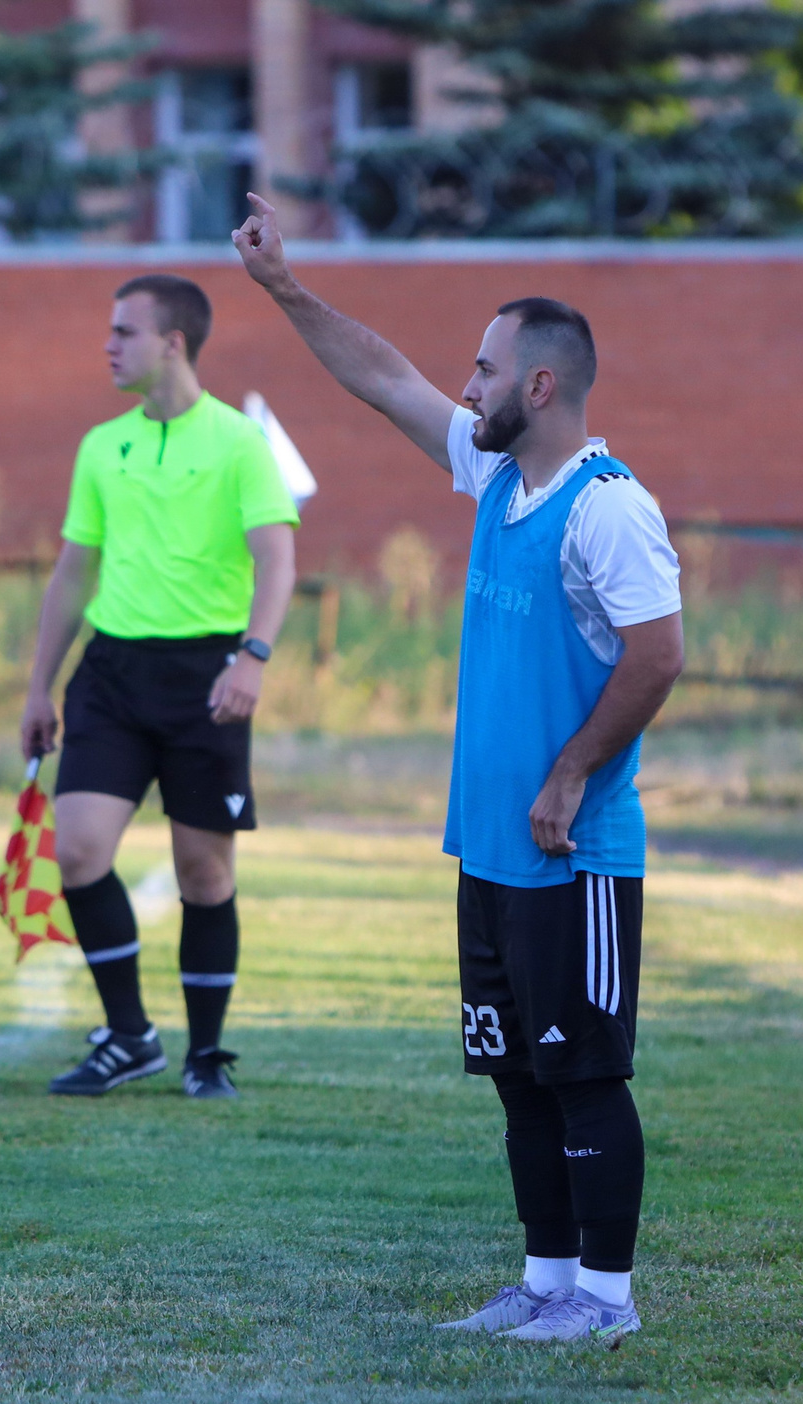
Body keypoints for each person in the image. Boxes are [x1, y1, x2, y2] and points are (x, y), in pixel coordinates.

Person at [232, 194, 684, 1345]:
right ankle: (543, 1283)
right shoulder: (494, 480)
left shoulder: (607, 509)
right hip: (487, 848)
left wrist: (573, 773)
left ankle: (607, 1302)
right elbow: (379, 376)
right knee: (518, 1080)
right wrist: (283, 286)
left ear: (538, 387)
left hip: (570, 851)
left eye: (483, 371)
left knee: (583, 1074)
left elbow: (658, 656)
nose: (464, 386)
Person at [21, 273, 301, 1100]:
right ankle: (130, 1037)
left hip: (205, 676)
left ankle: (205, 1054)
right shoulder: (102, 446)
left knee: (203, 875)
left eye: (124, 332)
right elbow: (74, 573)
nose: (108, 346)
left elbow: (278, 557)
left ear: (172, 342)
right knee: (76, 851)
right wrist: (41, 685)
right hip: (111, 673)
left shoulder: (240, 442)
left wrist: (252, 656)